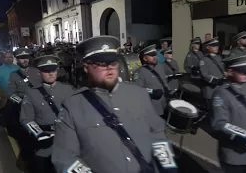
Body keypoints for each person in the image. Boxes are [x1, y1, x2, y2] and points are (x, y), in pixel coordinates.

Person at [51, 35, 177, 173]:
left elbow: (157, 132)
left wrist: (167, 165)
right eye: (101, 64)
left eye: (113, 63)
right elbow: (65, 159)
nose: (109, 68)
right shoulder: (73, 106)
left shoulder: (139, 94)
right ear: (86, 67)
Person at [20, 55, 74, 173]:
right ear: (40, 73)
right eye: (46, 71)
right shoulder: (31, 93)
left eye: (53, 70)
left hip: (67, 142)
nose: (50, 73)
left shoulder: (68, 90)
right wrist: (39, 134)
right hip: (45, 143)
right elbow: (26, 119)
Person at [133, 44, 170, 116]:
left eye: (155, 55)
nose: (155, 57)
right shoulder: (140, 72)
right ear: (145, 58)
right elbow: (137, 89)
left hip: (164, 104)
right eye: (152, 55)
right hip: (153, 106)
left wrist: (168, 90)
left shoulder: (160, 67)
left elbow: (164, 81)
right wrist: (152, 92)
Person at [0, 52, 19, 125]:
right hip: (5, 96)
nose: (9, 59)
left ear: (13, 58)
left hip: (17, 95)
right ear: (3, 59)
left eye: (10, 57)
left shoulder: (17, 68)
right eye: (6, 57)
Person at [199, 37, 226, 110]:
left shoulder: (219, 57)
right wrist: (216, 80)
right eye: (214, 45)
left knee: (220, 110)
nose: (217, 47)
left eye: (217, 45)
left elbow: (222, 70)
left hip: (219, 89)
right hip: (211, 90)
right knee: (212, 111)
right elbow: (204, 75)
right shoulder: (204, 60)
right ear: (208, 47)